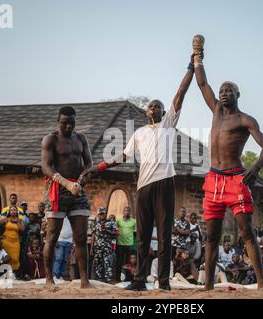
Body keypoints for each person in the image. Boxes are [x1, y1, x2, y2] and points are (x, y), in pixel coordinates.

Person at [85, 54, 196, 291]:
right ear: (147, 112)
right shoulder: (140, 133)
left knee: (164, 237)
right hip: (144, 187)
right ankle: (139, 280)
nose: (154, 107)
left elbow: (180, 92)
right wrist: (98, 167)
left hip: (165, 183)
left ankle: (164, 282)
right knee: (143, 236)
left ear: (165, 111)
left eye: (158, 105)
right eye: (151, 106)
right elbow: (122, 156)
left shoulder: (168, 124)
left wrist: (192, 66)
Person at [194, 44, 263, 291]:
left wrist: (256, 169)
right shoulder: (216, 110)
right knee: (211, 237)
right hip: (214, 179)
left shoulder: (245, 119)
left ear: (238, 95)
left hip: (236, 178)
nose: (224, 93)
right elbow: (202, 85)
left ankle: (261, 284)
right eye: (222, 90)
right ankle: (207, 286)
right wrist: (198, 59)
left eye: (229, 90)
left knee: (246, 231)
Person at [41, 106, 93, 288]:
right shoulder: (50, 139)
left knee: (80, 237)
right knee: (52, 236)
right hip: (58, 189)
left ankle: (84, 280)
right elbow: (46, 166)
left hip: (77, 191)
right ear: (58, 120)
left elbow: (89, 165)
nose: (68, 126)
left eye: (71, 123)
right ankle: (49, 279)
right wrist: (66, 183)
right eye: (64, 123)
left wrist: (82, 180)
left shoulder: (81, 139)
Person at [90, 207, 117, 283]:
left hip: (107, 247)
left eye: (103, 213)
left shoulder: (111, 222)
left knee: (107, 263)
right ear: (98, 215)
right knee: (98, 263)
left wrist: (108, 232)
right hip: (97, 247)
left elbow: (117, 233)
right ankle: (98, 279)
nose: (102, 215)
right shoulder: (96, 223)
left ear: (105, 214)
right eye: (100, 214)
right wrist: (91, 248)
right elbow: (93, 235)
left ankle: (109, 279)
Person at [0, 206, 25, 275]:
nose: (13, 211)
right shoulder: (6, 219)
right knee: (6, 257)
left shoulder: (20, 220)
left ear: (17, 211)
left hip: (15, 242)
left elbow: (22, 229)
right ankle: (4, 273)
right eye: (11, 210)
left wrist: (16, 222)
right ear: (9, 212)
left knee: (15, 258)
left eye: (14, 210)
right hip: (6, 241)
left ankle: (13, 273)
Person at [115, 207, 136, 282]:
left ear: (130, 212)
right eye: (125, 211)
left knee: (129, 263)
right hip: (120, 244)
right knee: (119, 262)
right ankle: (117, 278)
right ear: (123, 212)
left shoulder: (134, 221)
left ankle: (128, 278)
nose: (127, 212)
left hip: (129, 244)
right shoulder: (118, 221)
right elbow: (115, 231)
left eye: (128, 211)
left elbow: (136, 232)